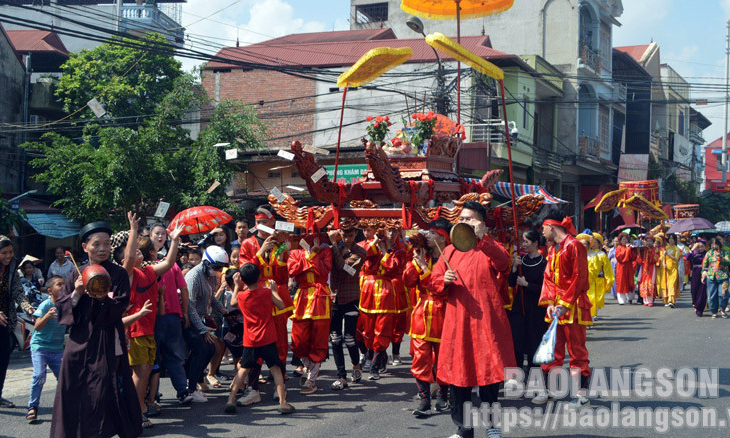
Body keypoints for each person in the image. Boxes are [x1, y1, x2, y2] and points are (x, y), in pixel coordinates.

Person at [427, 201, 515, 438]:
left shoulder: (491, 247)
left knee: (489, 377)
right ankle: (464, 429)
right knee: (458, 377)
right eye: (462, 218)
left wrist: (483, 238)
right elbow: (433, 284)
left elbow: (504, 264)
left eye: (470, 219)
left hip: (487, 322)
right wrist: (442, 280)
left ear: (481, 223)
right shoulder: (449, 251)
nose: (464, 223)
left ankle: (492, 424)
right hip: (457, 323)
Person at [50, 221, 142, 438]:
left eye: (107, 244)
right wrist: (77, 293)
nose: (103, 249)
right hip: (79, 341)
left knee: (103, 392)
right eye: (96, 244)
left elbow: (121, 304)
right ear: (85, 247)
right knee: (73, 390)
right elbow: (62, 307)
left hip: (107, 340)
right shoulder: (75, 273)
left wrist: (102, 298)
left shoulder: (117, 274)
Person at [120, 214, 183, 428]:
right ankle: (135, 412)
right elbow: (129, 258)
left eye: (140, 250)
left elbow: (169, 262)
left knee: (146, 372)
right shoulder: (129, 273)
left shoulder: (148, 270)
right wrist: (133, 230)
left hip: (149, 329)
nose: (140, 253)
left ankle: (139, 409)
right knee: (139, 373)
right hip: (135, 330)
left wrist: (174, 239)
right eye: (136, 251)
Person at [537, 207, 592, 410]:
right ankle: (551, 390)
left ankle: (581, 394)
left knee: (576, 351)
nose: (542, 233)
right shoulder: (553, 249)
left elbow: (580, 278)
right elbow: (548, 278)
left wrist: (564, 303)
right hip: (556, 307)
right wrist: (551, 302)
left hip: (574, 306)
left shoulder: (575, 245)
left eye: (544, 228)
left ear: (551, 226)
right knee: (552, 348)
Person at [238, 206, 293, 403]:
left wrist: (280, 257)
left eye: (264, 222)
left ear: (272, 222)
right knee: (254, 342)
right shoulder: (248, 243)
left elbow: (282, 277)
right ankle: (253, 388)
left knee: (279, 342)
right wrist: (261, 251)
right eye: (258, 222)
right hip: (256, 296)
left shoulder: (280, 242)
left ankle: (279, 387)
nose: (260, 226)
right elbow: (245, 271)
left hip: (275, 293)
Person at [224, 263, 294, 414]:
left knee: (243, 370)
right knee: (275, 369)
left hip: (250, 339)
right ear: (260, 277)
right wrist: (274, 291)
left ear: (242, 279)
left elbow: (232, 303)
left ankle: (231, 400)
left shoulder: (242, 295)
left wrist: (236, 286)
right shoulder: (267, 293)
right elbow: (281, 306)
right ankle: (283, 402)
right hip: (267, 338)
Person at [406, 219, 451, 418]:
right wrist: (415, 263)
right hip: (422, 313)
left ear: (443, 237)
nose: (429, 237)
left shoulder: (451, 257)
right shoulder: (423, 255)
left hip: (444, 312)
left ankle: (443, 394)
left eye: (433, 234)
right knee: (420, 359)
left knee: (443, 358)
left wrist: (424, 269)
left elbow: (441, 288)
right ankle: (424, 399)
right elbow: (408, 282)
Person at [148, 222, 194, 406]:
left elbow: (184, 290)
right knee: (154, 356)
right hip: (151, 316)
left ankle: (182, 391)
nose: (160, 237)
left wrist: (185, 313)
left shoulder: (172, 264)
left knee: (174, 355)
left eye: (163, 234)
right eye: (157, 233)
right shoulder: (144, 264)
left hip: (172, 315)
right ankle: (153, 395)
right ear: (149, 236)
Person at [359, 224, 406, 380]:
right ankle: (377, 356)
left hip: (386, 289)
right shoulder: (369, 244)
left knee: (383, 329)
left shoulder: (399, 250)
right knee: (367, 330)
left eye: (394, 230)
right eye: (388, 230)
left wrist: (385, 251)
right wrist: (375, 244)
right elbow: (362, 255)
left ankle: (375, 366)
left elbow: (394, 268)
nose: (390, 233)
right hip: (368, 290)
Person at [184, 245, 230, 402]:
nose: (217, 270)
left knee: (209, 349)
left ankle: (193, 381)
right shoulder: (194, 277)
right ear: (206, 262)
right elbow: (189, 306)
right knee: (204, 348)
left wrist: (222, 309)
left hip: (201, 319)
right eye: (216, 266)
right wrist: (203, 329)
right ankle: (190, 389)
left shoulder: (211, 276)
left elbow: (211, 297)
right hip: (189, 320)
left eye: (220, 268)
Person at [288, 234, 333, 394]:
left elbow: (323, 271)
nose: (311, 238)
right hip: (303, 297)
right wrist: (310, 255)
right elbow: (292, 270)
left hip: (321, 297)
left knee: (318, 339)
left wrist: (311, 257)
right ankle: (309, 368)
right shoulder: (295, 252)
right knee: (298, 340)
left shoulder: (326, 251)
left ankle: (311, 379)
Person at [327, 223, 366, 391]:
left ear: (356, 234)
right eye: (343, 234)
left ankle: (356, 365)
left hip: (350, 297)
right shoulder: (332, 247)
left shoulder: (360, 252)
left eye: (350, 235)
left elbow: (342, 266)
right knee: (335, 339)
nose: (346, 238)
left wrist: (334, 245)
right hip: (334, 297)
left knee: (349, 338)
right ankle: (341, 377)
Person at [507, 228, 549, 372]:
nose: (523, 244)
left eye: (526, 241)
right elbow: (511, 283)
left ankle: (534, 374)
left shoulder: (544, 263)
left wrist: (527, 285)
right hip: (520, 305)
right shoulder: (520, 260)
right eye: (522, 241)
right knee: (516, 339)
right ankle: (516, 371)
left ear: (535, 243)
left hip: (536, 308)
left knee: (534, 342)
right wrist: (514, 267)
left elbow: (545, 288)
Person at [26, 275, 66, 423]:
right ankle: (33, 407)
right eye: (59, 285)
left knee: (63, 378)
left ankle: (63, 408)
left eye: (64, 284)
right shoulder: (45, 305)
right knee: (39, 376)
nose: (63, 287)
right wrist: (48, 316)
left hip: (57, 349)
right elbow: (36, 326)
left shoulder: (66, 305)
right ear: (50, 290)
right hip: (40, 347)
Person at [0, 236, 34, 409]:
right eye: (4, 252)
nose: (8, 256)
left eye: (10, 252)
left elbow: (18, 292)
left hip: (6, 322)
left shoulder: (13, 267)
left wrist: (28, 308)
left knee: (3, 360)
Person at [702, 238, 730, 319]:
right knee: (712, 295)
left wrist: (720, 257)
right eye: (712, 245)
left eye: (716, 244)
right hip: (711, 277)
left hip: (723, 276)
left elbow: (728, 262)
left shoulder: (725, 252)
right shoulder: (709, 253)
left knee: (723, 294)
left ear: (719, 244)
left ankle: (723, 309)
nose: (714, 246)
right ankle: (714, 311)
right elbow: (704, 264)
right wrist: (703, 272)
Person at [591, 232, 614, 317]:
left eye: (595, 243)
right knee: (590, 298)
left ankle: (594, 314)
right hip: (589, 280)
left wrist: (609, 279)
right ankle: (591, 316)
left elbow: (607, 269)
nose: (593, 245)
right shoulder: (587, 254)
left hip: (599, 279)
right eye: (592, 242)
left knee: (597, 298)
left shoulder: (602, 254)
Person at [658, 234, 681, 308]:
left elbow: (676, 258)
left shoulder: (677, 248)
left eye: (673, 239)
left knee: (672, 284)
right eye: (670, 239)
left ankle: (671, 301)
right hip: (666, 269)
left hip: (673, 269)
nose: (671, 240)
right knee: (665, 284)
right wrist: (664, 263)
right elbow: (662, 257)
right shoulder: (666, 248)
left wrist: (668, 254)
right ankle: (666, 300)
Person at [614, 233, 637, 305]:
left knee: (630, 281)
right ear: (620, 241)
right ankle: (622, 300)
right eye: (623, 239)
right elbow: (620, 257)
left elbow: (633, 257)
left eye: (626, 239)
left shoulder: (630, 247)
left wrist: (633, 250)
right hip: (621, 267)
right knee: (621, 282)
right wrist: (627, 249)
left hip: (629, 266)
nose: (625, 240)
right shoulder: (619, 248)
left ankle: (630, 297)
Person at [687, 240, 708, 317]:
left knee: (702, 291)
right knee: (694, 290)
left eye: (702, 246)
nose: (700, 248)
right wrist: (692, 249)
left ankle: (700, 309)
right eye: (698, 247)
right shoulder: (694, 253)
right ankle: (695, 304)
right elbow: (687, 257)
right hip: (695, 273)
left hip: (704, 273)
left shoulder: (707, 254)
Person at [638, 235, 659, 307]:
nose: (649, 242)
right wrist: (639, 251)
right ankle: (645, 300)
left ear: (653, 242)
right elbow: (639, 259)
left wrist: (651, 255)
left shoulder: (655, 249)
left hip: (651, 268)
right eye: (647, 241)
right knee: (643, 283)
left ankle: (650, 300)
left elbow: (656, 259)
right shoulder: (643, 249)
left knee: (650, 283)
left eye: (650, 241)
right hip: (643, 268)